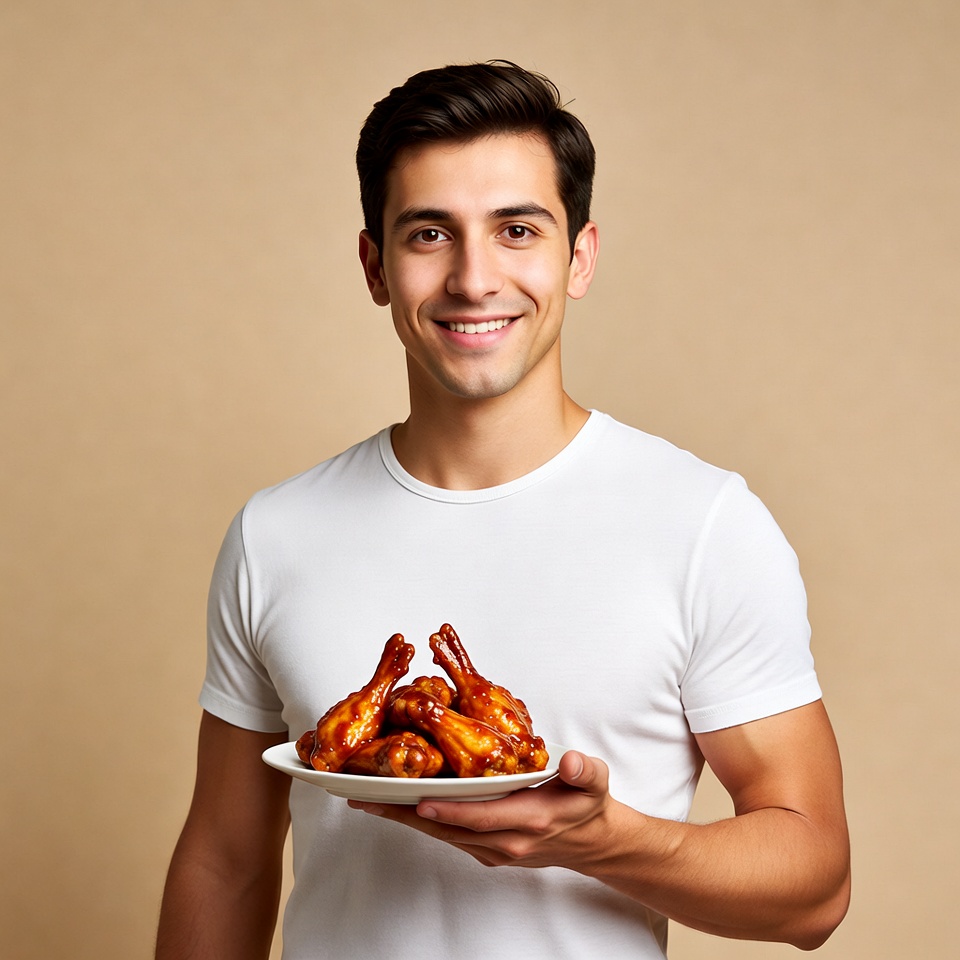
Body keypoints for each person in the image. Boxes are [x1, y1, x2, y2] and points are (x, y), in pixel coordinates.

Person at [155, 61, 850, 959]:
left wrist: (609, 842)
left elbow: (815, 891)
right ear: (375, 266)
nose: (474, 278)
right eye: (429, 234)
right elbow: (225, 864)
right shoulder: (275, 533)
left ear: (581, 256)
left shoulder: (704, 524)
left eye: (517, 230)